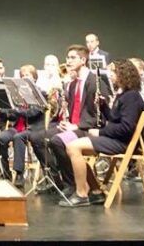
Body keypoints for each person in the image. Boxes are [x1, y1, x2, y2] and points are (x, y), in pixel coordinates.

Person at [60, 60, 144, 207]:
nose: (110, 75)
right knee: (73, 148)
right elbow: (114, 119)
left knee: (73, 147)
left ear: (123, 75)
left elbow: (126, 127)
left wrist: (100, 132)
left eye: (113, 72)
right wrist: (104, 107)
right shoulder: (123, 95)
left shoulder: (132, 96)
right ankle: (96, 192)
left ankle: (81, 194)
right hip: (115, 139)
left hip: (122, 142)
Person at [29, 44, 110, 196]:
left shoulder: (94, 81)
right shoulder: (72, 84)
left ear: (83, 60)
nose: (68, 61)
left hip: (87, 129)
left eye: (73, 58)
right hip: (73, 127)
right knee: (36, 138)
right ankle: (56, 180)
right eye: (68, 58)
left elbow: (99, 116)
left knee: (57, 141)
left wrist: (76, 126)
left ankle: (72, 183)